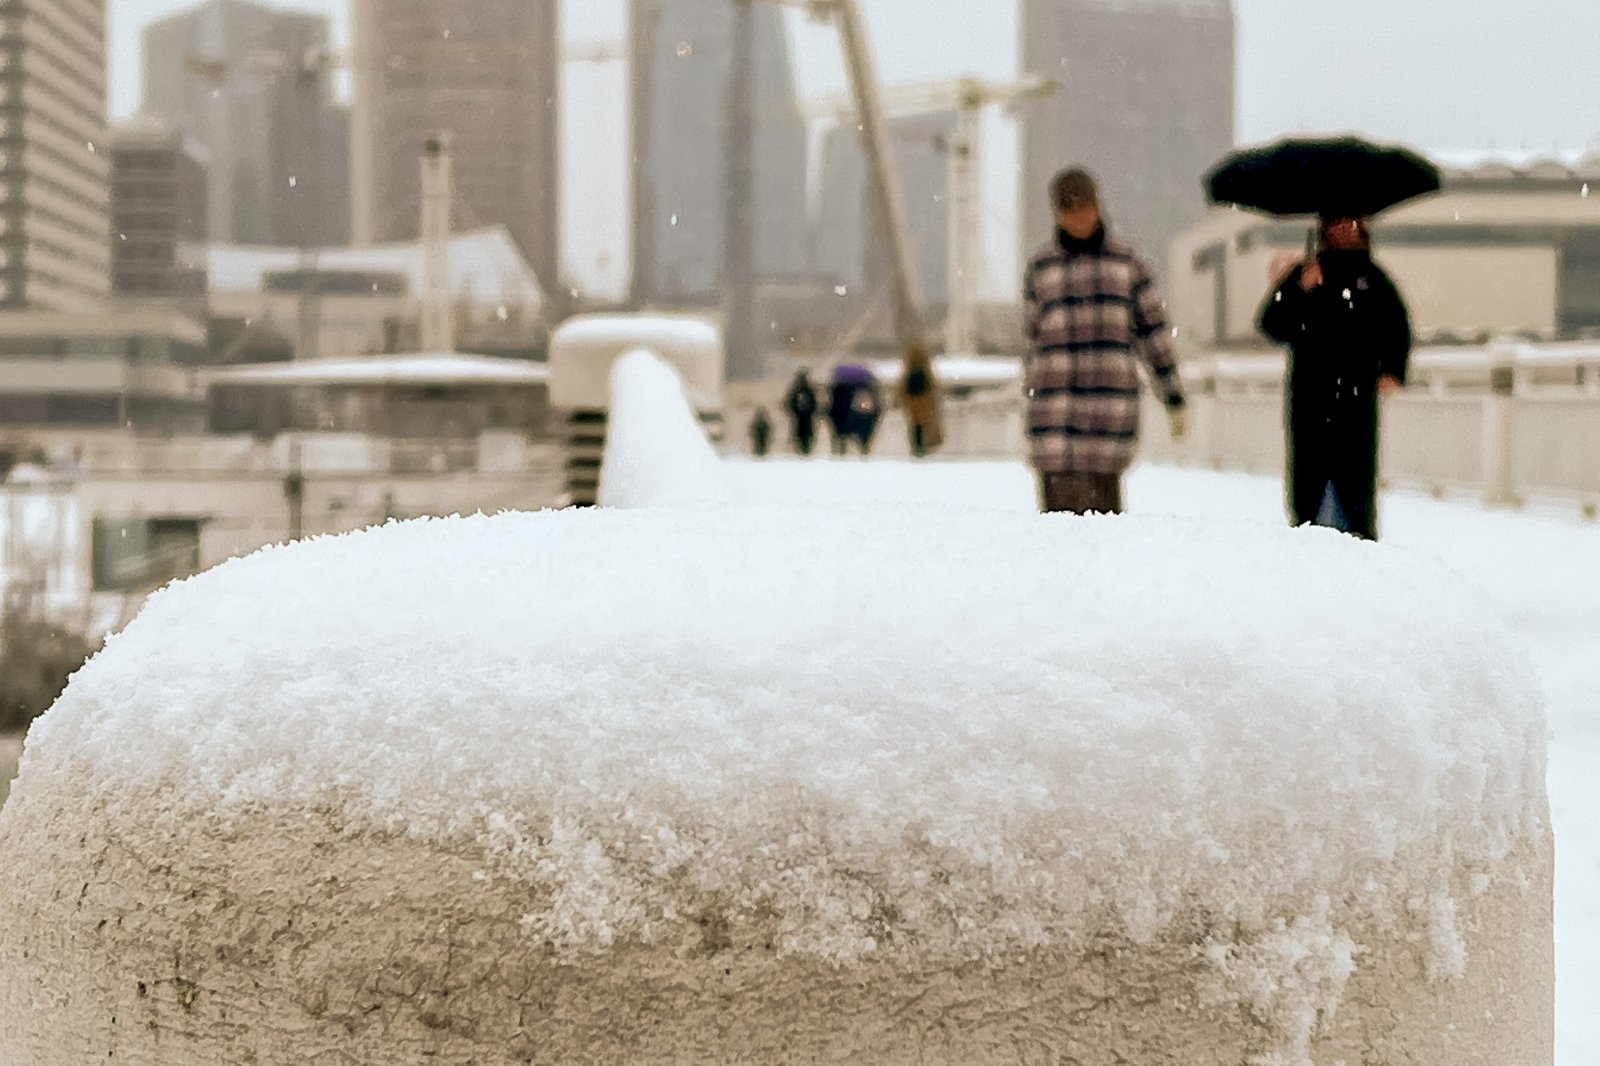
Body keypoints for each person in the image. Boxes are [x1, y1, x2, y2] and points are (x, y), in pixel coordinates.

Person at [1022, 168, 1187, 514]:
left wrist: (1172, 393)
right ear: (1058, 213)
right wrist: (1031, 394)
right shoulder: (1042, 267)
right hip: (1055, 420)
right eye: (1069, 209)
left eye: (1085, 206)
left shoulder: (1127, 263)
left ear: (1098, 206)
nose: (1079, 216)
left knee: (1102, 537)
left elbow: (1153, 332)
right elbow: (1031, 343)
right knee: (1058, 534)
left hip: (1109, 420)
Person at [1258, 215, 1411, 541]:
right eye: (1337, 223)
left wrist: (1393, 370)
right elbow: (1272, 324)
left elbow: (1397, 327)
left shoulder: (1373, 279)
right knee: (1308, 482)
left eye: (1352, 223)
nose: (1345, 230)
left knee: (1355, 483)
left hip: (1357, 399)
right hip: (1310, 396)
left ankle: (1359, 546)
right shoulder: (1306, 274)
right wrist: (1300, 288)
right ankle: (1306, 542)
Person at [900, 345, 943, 458]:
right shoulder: (924, 371)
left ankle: (918, 447)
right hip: (922, 402)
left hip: (914, 402)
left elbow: (904, 388)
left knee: (916, 426)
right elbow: (931, 387)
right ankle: (921, 446)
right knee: (922, 425)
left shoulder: (910, 371)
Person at [783, 370, 819, 456]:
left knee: (804, 434)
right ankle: (804, 450)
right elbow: (789, 403)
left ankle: (804, 450)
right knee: (802, 434)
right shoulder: (804, 390)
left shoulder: (799, 390)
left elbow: (814, 403)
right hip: (801, 417)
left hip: (804, 417)